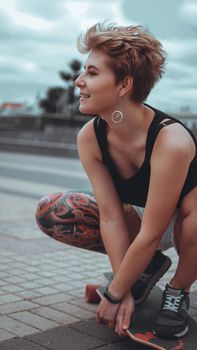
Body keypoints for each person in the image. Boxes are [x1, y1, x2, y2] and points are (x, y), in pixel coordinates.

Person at [35, 22, 197, 339]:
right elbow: (109, 215)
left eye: (92, 74)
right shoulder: (90, 138)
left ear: (124, 85)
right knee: (55, 210)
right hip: (140, 222)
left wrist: (112, 293)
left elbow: (152, 231)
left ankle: (178, 290)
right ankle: (143, 270)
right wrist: (121, 288)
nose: (79, 82)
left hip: (184, 224)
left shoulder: (171, 140)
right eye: (83, 71)